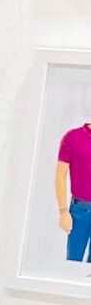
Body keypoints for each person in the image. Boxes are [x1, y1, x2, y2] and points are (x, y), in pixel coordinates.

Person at [56, 113, 91, 264]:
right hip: (80, 210)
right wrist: (63, 211)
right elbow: (60, 175)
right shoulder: (73, 137)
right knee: (73, 263)